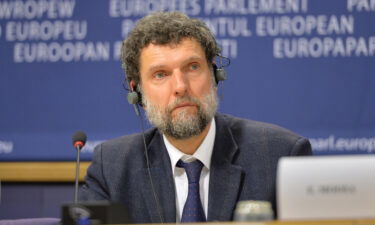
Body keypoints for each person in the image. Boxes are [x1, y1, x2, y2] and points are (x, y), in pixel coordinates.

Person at [79, 11, 312, 223]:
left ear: (214, 74)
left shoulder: (280, 156)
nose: (180, 87)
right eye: (161, 74)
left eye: (192, 67)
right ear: (137, 91)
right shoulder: (112, 167)